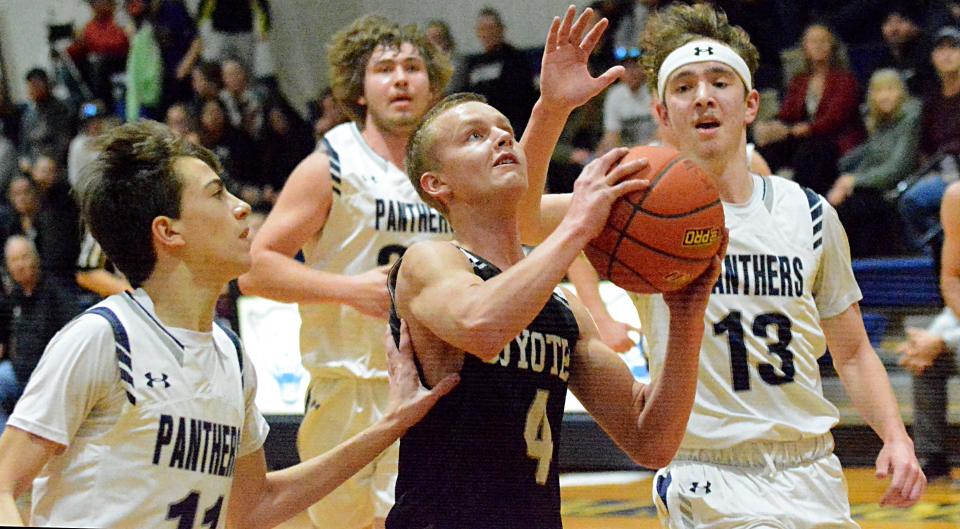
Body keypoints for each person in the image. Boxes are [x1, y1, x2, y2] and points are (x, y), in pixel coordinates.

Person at [517, 3, 927, 526]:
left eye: (719, 81)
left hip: (813, 470)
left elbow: (851, 352)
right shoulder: (631, 202)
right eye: (684, 86)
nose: (704, 96)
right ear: (662, 114)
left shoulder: (810, 212)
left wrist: (895, 435)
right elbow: (519, 218)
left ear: (751, 103)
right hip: (707, 476)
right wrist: (551, 111)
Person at [0, 120, 456, 528]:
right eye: (217, 194)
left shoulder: (231, 356)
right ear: (168, 231)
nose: (241, 207)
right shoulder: (102, 337)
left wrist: (392, 423)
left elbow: (255, 505)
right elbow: (4, 484)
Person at [386, 18, 721, 529]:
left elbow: (652, 441)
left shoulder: (563, 310)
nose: (500, 139)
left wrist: (686, 317)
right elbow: (482, 326)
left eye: (504, 131)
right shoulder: (430, 260)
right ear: (437, 184)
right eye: (474, 137)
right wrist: (579, 225)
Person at [238, 15, 455, 529]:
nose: (400, 79)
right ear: (359, 88)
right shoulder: (331, 163)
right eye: (384, 69)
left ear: (433, 82)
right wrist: (348, 290)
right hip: (347, 386)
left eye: (412, 66)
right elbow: (255, 268)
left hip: (434, 382)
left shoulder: (451, 165)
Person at [897, 179, 960, 483]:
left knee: (934, 345)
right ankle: (933, 459)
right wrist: (939, 338)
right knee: (922, 354)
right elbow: (951, 280)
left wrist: (946, 339)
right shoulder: (956, 197)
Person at [755, 23, 865, 195]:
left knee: (810, 153)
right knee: (765, 150)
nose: (818, 46)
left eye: (823, 41)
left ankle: (804, 206)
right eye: (813, 41)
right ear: (805, 47)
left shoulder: (845, 80)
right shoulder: (800, 80)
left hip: (834, 140)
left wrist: (799, 130)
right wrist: (772, 126)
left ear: (832, 46)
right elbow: (788, 113)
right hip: (803, 137)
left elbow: (834, 120)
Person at [828, 68, 922, 257]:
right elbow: (870, 158)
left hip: (900, 184)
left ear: (901, 92)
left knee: (852, 208)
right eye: (878, 91)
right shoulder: (880, 120)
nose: (884, 96)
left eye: (890, 89)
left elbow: (899, 167)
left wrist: (854, 181)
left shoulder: (911, 119)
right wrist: (847, 181)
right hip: (875, 184)